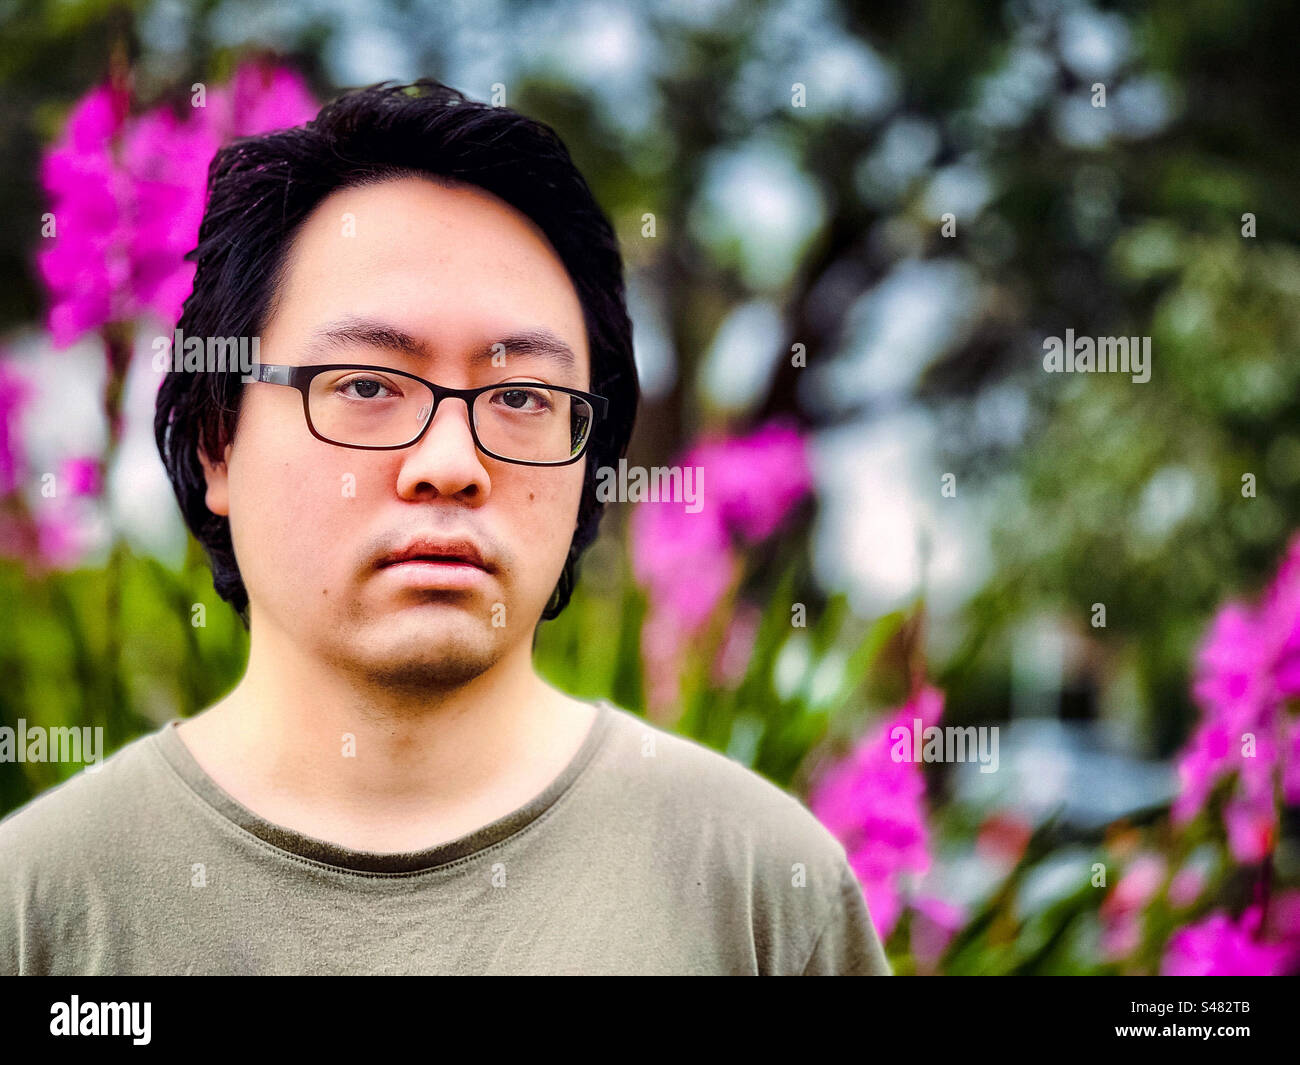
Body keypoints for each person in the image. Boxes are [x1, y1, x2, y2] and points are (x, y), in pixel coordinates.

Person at [0, 79, 890, 976]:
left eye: (519, 397)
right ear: (218, 441)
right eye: (366, 385)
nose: (451, 463)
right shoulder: (41, 908)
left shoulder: (764, 893)